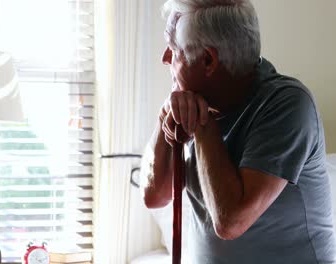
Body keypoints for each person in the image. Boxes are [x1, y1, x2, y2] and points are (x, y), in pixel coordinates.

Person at [141, 0, 336, 263]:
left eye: (174, 49)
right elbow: (155, 196)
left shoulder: (288, 103)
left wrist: (202, 125)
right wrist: (166, 115)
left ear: (208, 60)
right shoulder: (193, 100)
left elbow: (231, 222)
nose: (165, 58)